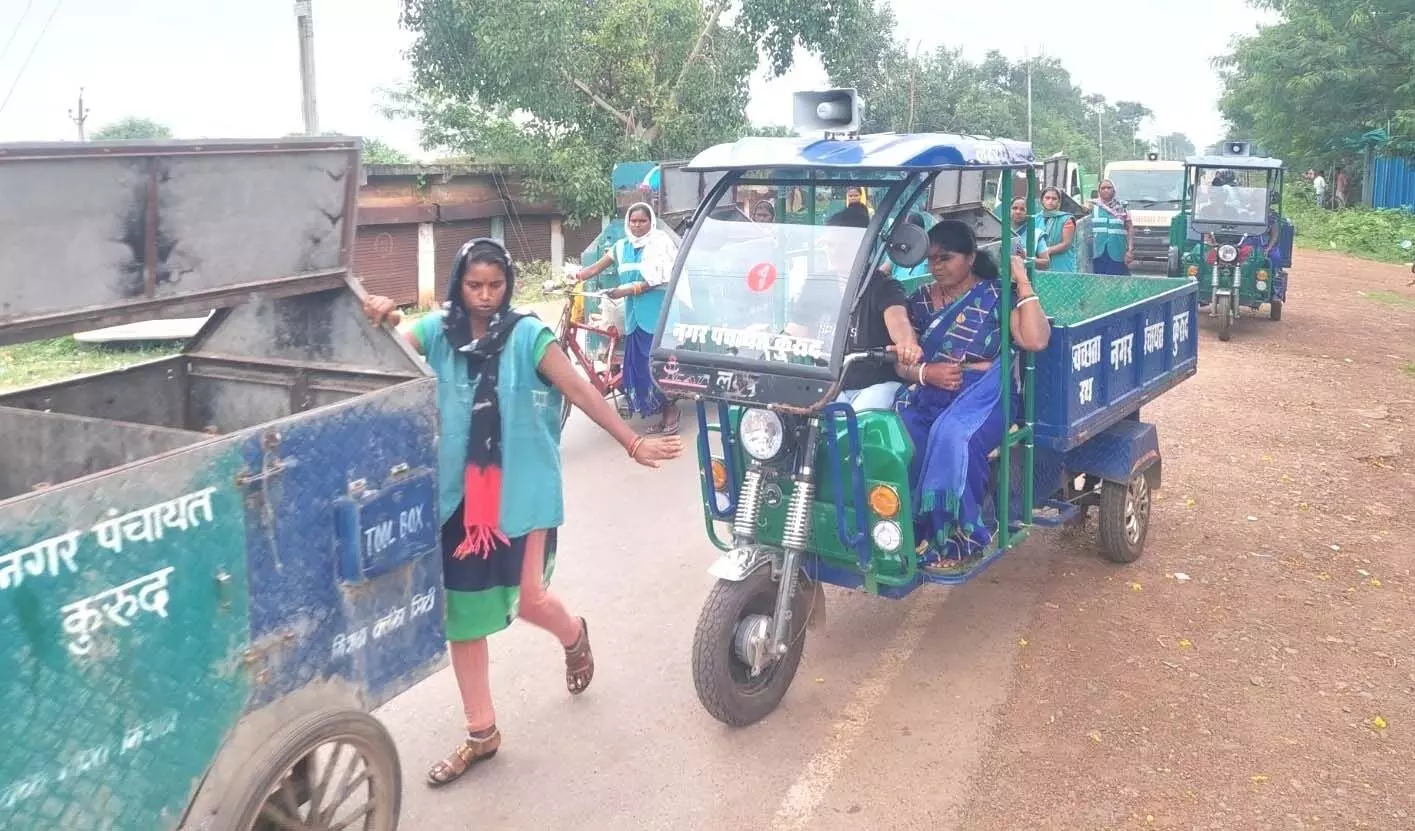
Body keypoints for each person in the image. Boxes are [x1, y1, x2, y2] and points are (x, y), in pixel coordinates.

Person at [361, 239, 684, 787]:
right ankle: (481, 733)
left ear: (508, 283)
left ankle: (574, 635)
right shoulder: (436, 332)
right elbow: (386, 355)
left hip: (521, 492)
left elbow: (580, 390)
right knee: (463, 618)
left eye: (495, 285)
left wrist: (631, 442)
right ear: (457, 285)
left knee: (529, 599)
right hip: (456, 499)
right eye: (474, 286)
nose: (486, 297)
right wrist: (379, 318)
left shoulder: (528, 335)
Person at [895, 221, 1051, 572]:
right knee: (898, 435)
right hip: (929, 391)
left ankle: (961, 540)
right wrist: (925, 372)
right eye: (930, 259)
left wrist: (1022, 280)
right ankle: (910, 531)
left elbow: (1036, 340)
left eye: (945, 258)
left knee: (954, 437)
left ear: (969, 258)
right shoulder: (919, 300)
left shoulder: (996, 294)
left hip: (984, 395)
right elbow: (902, 362)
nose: (936, 266)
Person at [787, 205, 923, 411]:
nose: (833, 251)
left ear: (862, 247)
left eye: (841, 245)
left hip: (876, 386)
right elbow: (795, 333)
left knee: (855, 420)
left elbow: (900, 324)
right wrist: (764, 341)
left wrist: (907, 345)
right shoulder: (816, 284)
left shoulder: (883, 286)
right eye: (829, 245)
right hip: (830, 384)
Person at [574, 202, 681, 433]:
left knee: (657, 364)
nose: (637, 225)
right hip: (634, 314)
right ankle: (657, 413)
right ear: (627, 223)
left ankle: (671, 411)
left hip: (656, 312)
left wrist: (625, 291)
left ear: (651, 222)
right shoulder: (621, 247)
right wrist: (574, 277)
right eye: (633, 221)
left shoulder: (660, 243)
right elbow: (594, 269)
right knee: (638, 366)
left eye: (642, 221)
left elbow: (659, 278)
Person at [1085, 179, 1134, 275]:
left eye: (1109, 188)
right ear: (1099, 191)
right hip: (1097, 252)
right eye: (1103, 188)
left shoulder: (1122, 208)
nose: (1106, 190)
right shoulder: (1091, 207)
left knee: (1116, 282)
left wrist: (1130, 250)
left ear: (1114, 190)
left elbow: (1130, 229)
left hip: (1117, 252)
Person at [1035, 186, 1079, 272]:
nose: (1050, 201)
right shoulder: (1035, 219)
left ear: (1059, 202)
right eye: (1047, 198)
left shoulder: (1067, 219)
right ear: (1042, 200)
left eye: (1054, 199)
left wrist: (1046, 251)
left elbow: (1066, 244)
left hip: (1061, 265)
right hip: (1040, 266)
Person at [1001, 196, 1051, 267]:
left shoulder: (1035, 234)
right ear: (1009, 210)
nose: (1018, 212)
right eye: (1014, 208)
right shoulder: (1000, 230)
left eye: (1022, 209)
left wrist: (1026, 257)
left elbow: (1046, 263)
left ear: (1028, 212)